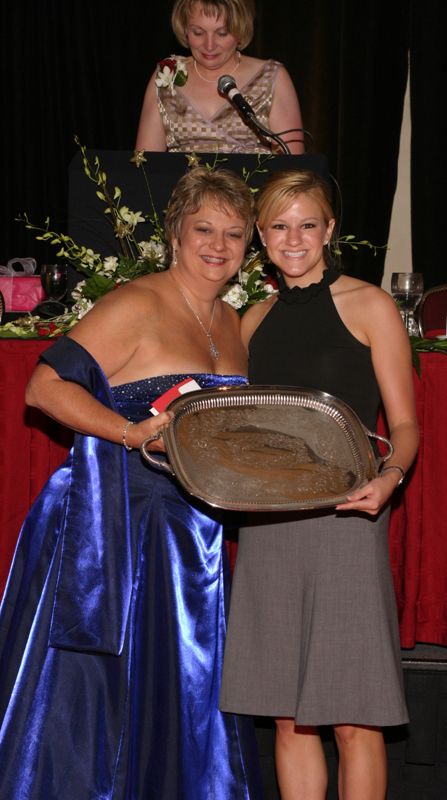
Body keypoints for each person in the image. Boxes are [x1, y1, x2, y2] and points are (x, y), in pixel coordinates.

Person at [0, 167, 262, 799]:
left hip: (189, 532)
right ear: (175, 233)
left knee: (178, 689)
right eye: (204, 228)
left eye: (233, 233)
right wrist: (131, 432)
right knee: (85, 697)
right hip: (110, 519)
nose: (217, 245)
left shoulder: (232, 321)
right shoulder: (137, 302)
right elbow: (44, 388)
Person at [219, 170, 419, 799]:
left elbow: (406, 424)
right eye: (279, 225)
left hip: (347, 516)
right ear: (261, 236)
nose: (294, 238)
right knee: (287, 716)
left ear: (330, 229)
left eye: (308, 223)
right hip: (270, 522)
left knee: (355, 713)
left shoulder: (370, 304)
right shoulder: (251, 319)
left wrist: (390, 478)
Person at [135, 0, 304, 154]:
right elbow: (145, 168)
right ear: (184, 28)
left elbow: (293, 171)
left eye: (222, 33)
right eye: (198, 32)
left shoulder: (271, 78)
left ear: (241, 29)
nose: (209, 45)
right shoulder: (167, 76)